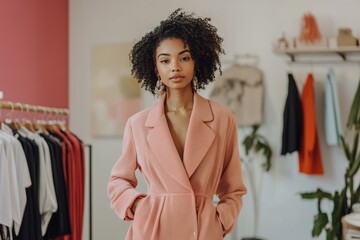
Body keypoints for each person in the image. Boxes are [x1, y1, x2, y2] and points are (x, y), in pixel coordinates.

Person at [107, 8, 247, 240]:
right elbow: (118, 179)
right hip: (152, 230)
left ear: (197, 61)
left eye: (184, 57)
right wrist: (139, 207)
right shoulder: (138, 124)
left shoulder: (222, 118)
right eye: (165, 60)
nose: (175, 67)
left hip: (203, 231)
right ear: (155, 68)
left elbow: (233, 189)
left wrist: (219, 221)